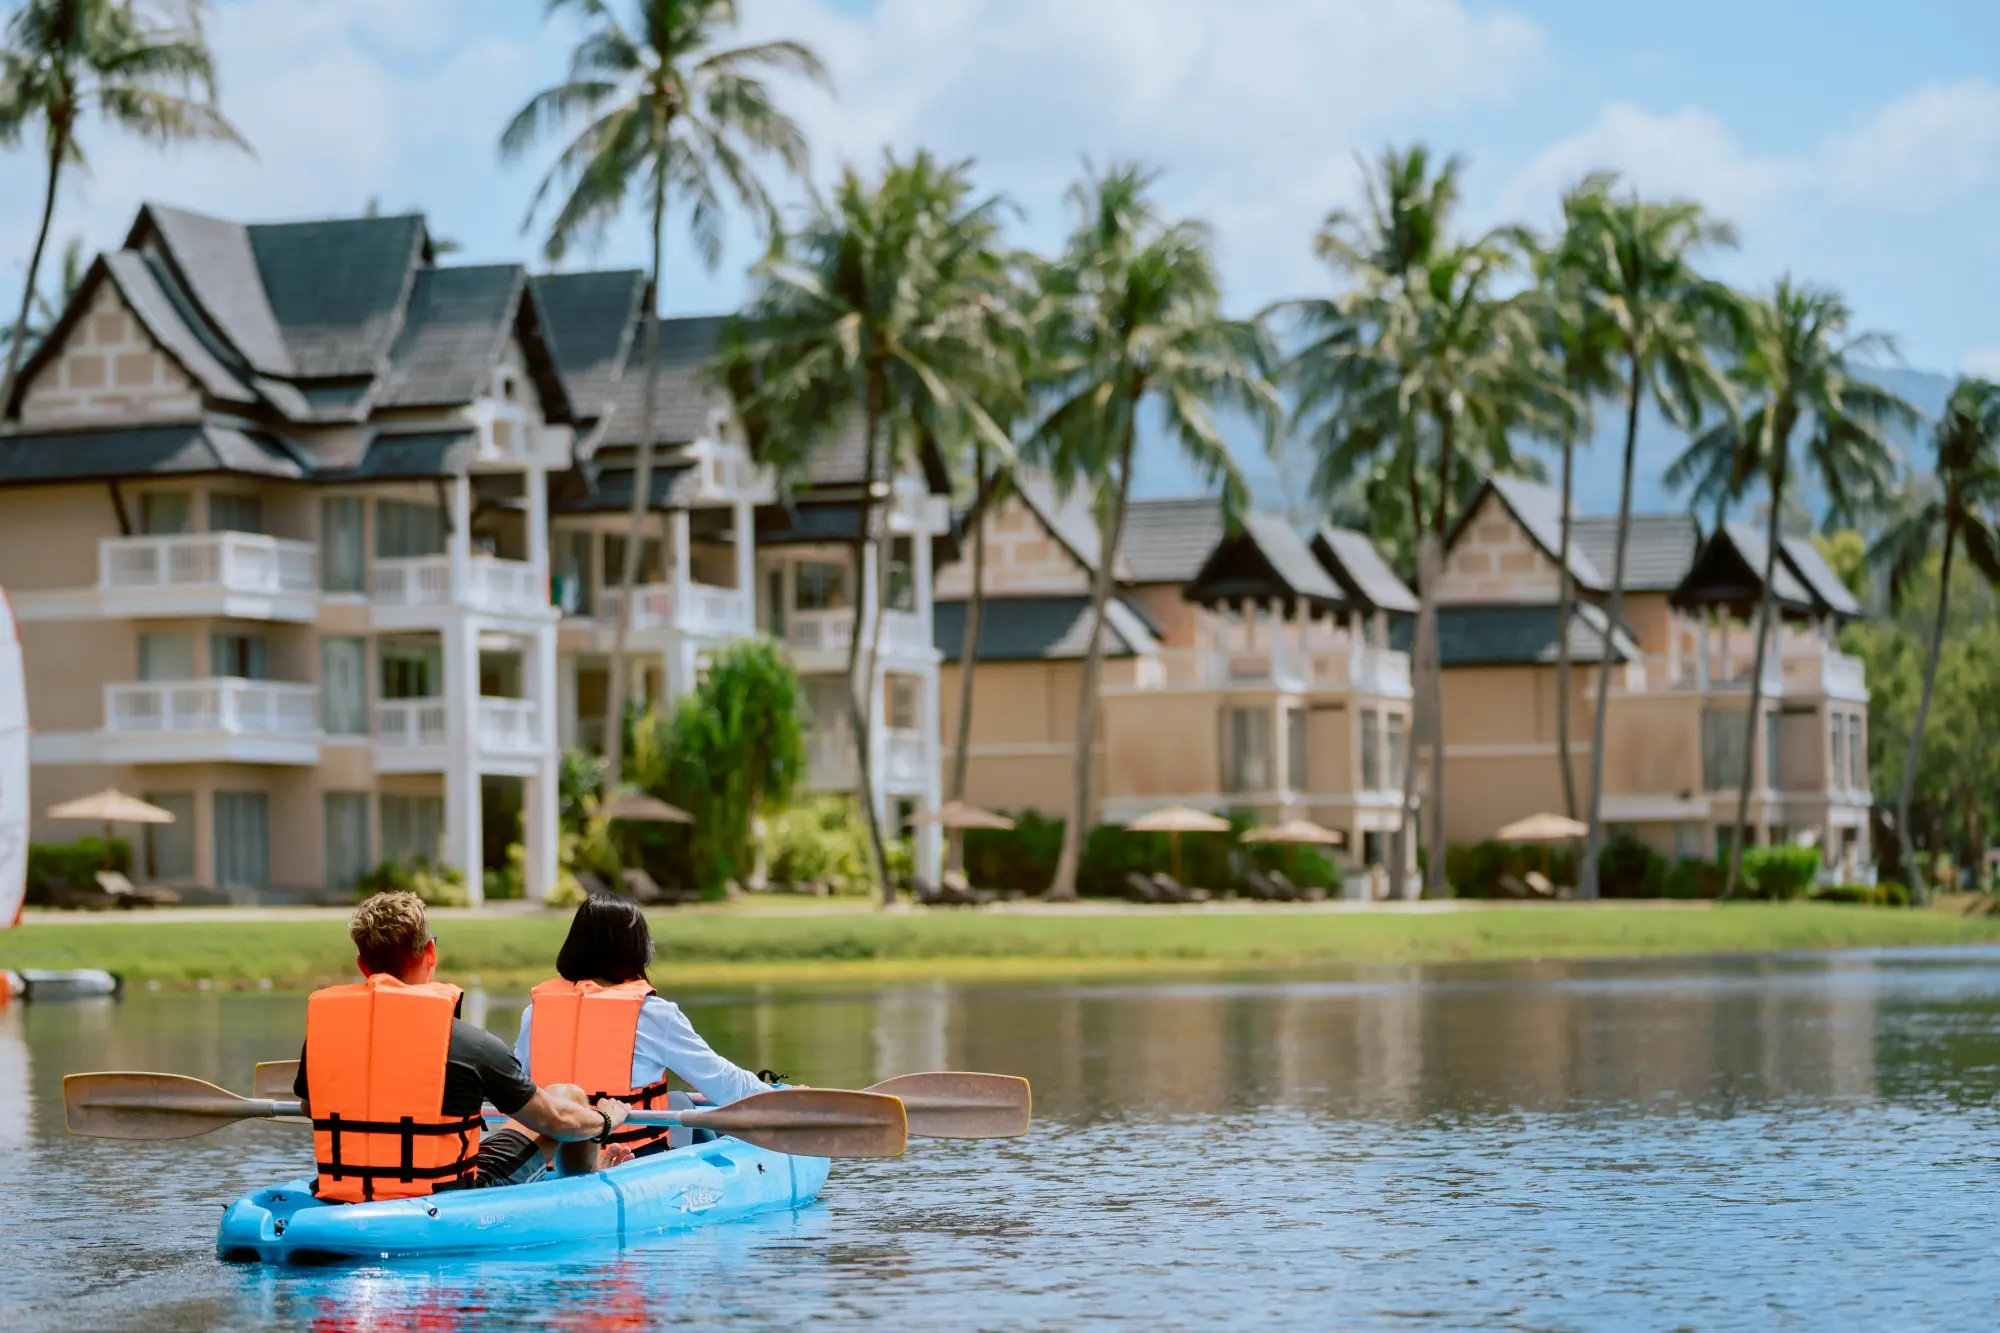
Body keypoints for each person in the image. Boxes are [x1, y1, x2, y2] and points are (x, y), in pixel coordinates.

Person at [293, 891, 630, 1202]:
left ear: (363, 966)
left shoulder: (326, 1038)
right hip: (447, 1197)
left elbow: (312, 1108)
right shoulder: (472, 1046)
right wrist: (605, 1119)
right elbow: (557, 1120)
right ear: (430, 952)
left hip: (349, 1190)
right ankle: (591, 1176)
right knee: (566, 1096)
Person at [516, 895, 767, 1157]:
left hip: (547, 1160)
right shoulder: (653, 1014)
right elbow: (722, 1083)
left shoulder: (536, 1012)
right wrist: (782, 1098)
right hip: (629, 1156)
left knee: (682, 1106)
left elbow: (515, 1090)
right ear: (636, 948)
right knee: (700, 1128)